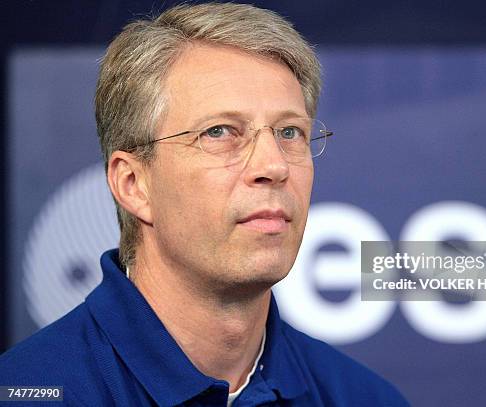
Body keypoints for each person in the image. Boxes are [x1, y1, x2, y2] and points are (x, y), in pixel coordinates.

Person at [0, 3, 409, 406]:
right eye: (219, 131)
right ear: (133, 183)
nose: (274, 165)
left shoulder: (364, 397)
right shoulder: (30, 390)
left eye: (289, 132)